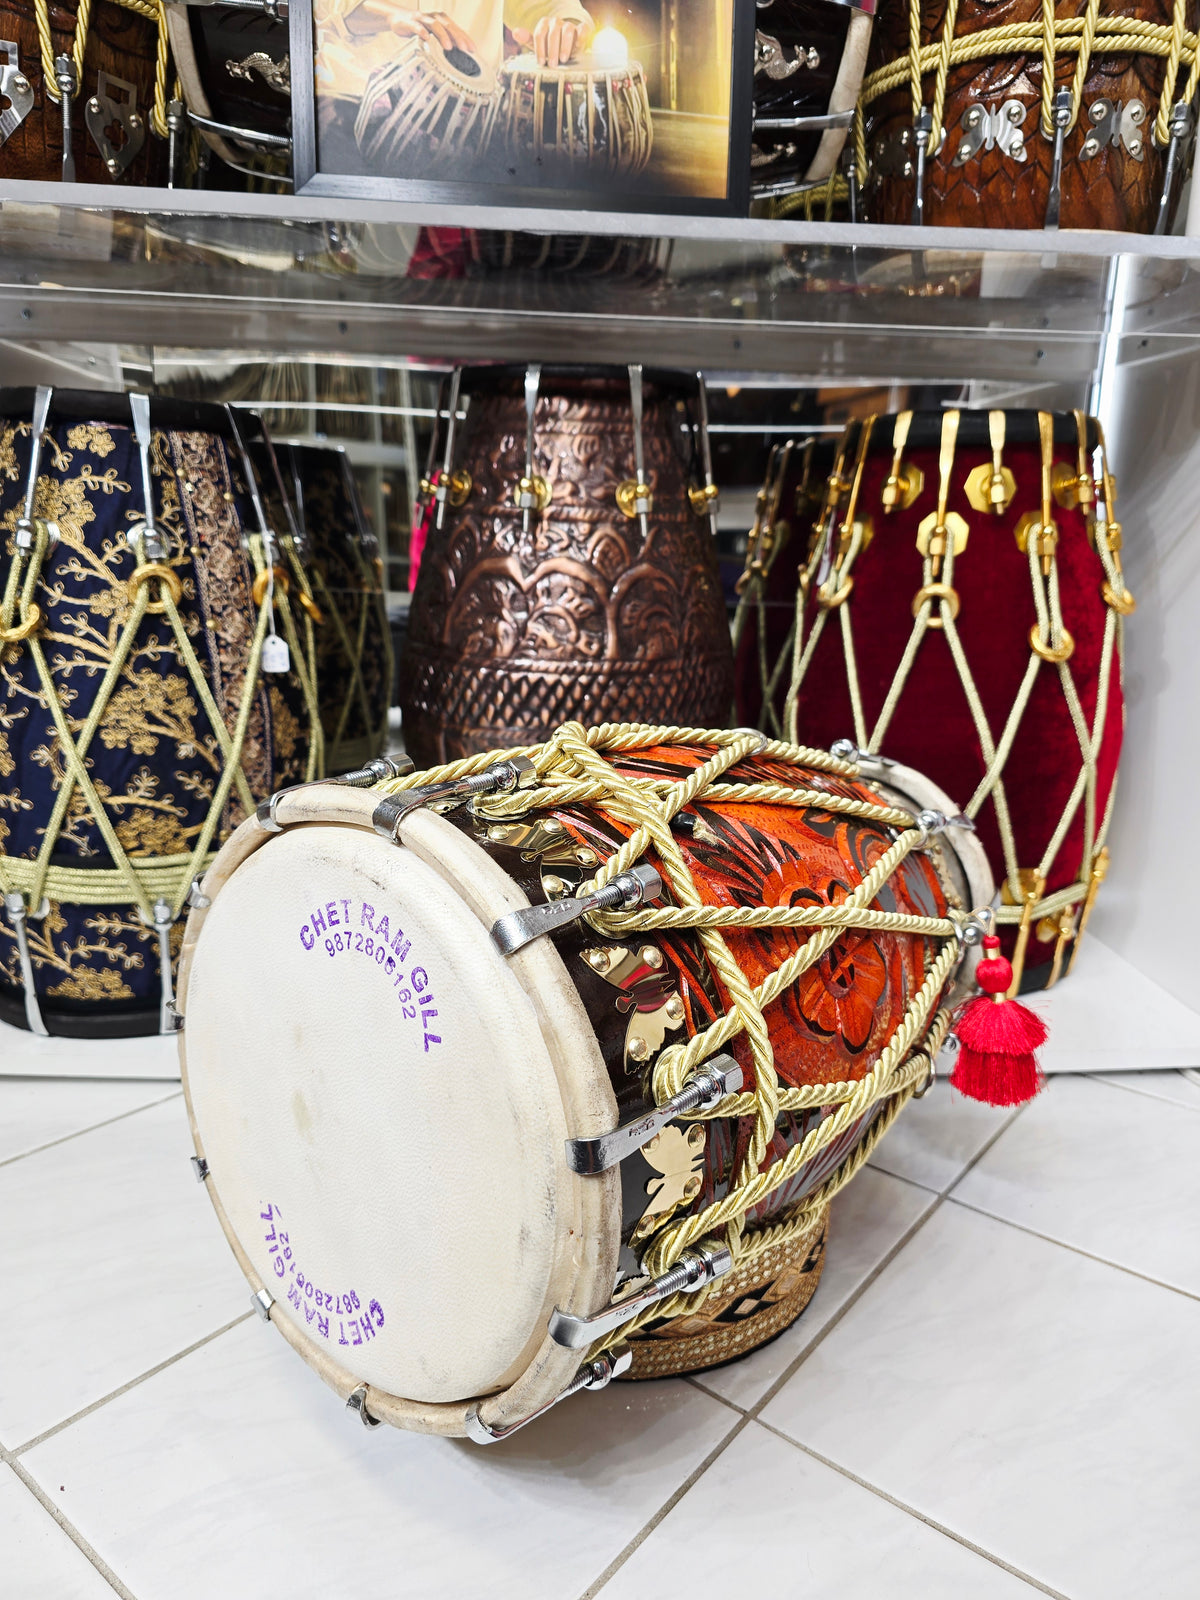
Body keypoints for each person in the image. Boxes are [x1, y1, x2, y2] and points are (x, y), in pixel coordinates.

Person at [317, 0, 596, 102]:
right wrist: (395, 15)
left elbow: (556, 8)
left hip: (469, 125)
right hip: (352, 107)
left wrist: (567, 28)